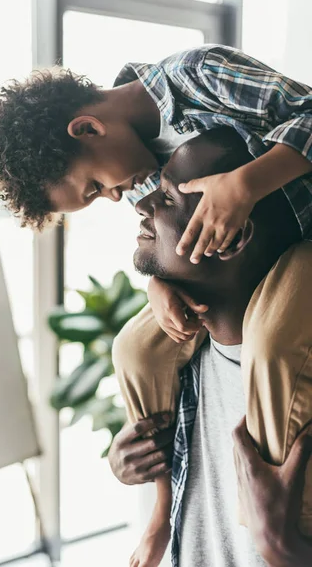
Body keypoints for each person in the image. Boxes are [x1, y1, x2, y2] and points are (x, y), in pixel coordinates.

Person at [0, 45, 312, 561]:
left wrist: (246, 184)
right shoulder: (132, 166)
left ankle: (273, 520)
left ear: (87, 129)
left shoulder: (194, 77)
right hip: (242, 280)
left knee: (271, 343)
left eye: (92, 188)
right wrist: (158, 281)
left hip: (303, 242)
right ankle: (162, 506)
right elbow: (164, 241)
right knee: (135, 348)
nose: (114, 199)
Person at [112, 127, 312, 567]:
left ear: (232, 237)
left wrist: (289, 550)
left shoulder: (298, 372)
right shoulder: (176, 361)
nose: (143, 206)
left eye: (167, 198)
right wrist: (138, 460)